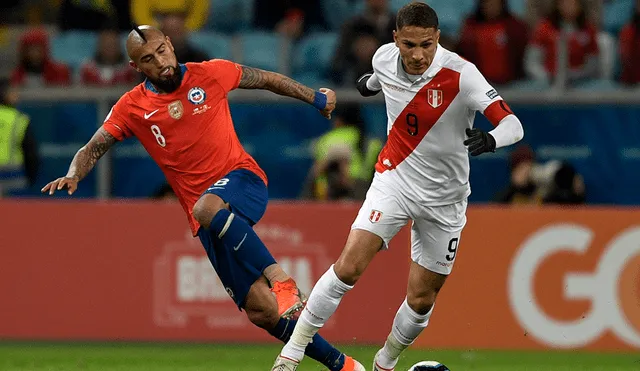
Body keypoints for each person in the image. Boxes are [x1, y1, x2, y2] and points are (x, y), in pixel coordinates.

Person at [42, 25, 364, 371]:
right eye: (148, 59)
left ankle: (281, 279)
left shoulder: (210, 73)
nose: (160, 61)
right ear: (137, 68)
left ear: (170, 45)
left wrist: (315, 98)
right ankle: (343, 365)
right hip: (206, 218)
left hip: (244, 180)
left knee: (208, 207)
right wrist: (74, 174)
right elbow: (94, 146)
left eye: (161, 51)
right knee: (261, 311)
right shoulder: (132, 106)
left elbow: (266, 79)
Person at [271, 3, 524, 371]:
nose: (418, 54)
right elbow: (378, 77)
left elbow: (513, 124)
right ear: (395, 40)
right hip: (395, 180)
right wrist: (369, 84)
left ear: (437, 39)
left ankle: (384, 363)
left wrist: (491, 139)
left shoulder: (462, 74)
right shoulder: (383, 58)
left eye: (426, 44)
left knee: (421, 300)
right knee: (349, 266)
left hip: (445, 200)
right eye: (409, 45)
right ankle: (291, 353)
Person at [0, 78, 39, 196]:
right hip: (13, 177)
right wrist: (31, 178)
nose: (17, 95)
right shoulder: (19, 120)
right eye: (13, 92)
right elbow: (30, 152)